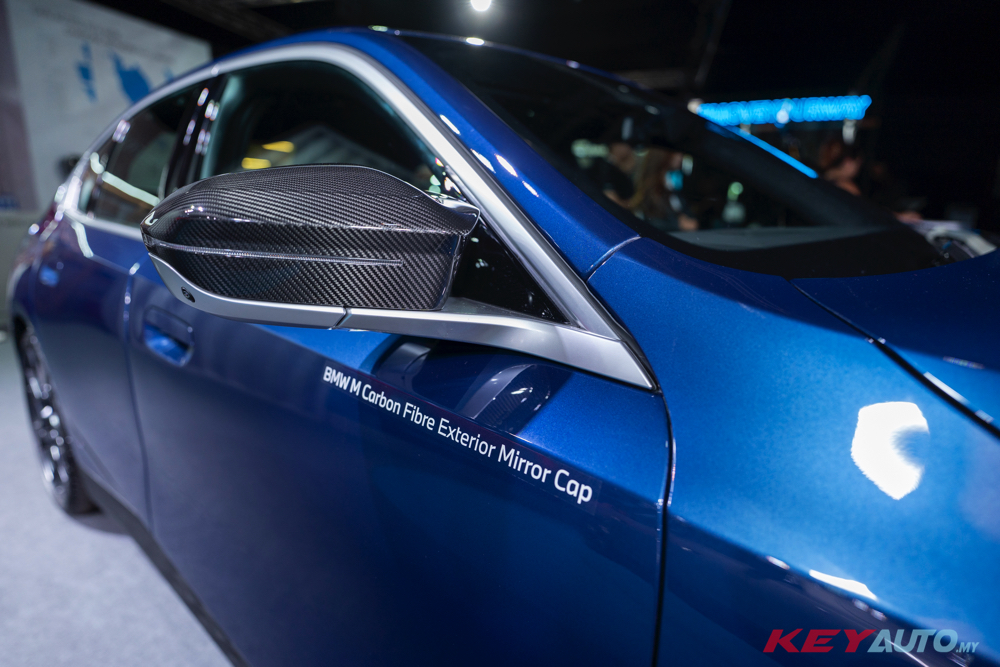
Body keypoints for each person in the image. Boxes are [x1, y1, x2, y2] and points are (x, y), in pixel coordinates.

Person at [628, 148, 698, 231]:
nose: (680, 156)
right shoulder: (650, 188)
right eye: (676, 153)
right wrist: (678, 225)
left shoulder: (671, 184)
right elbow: (651, 221)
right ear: (663, 155)